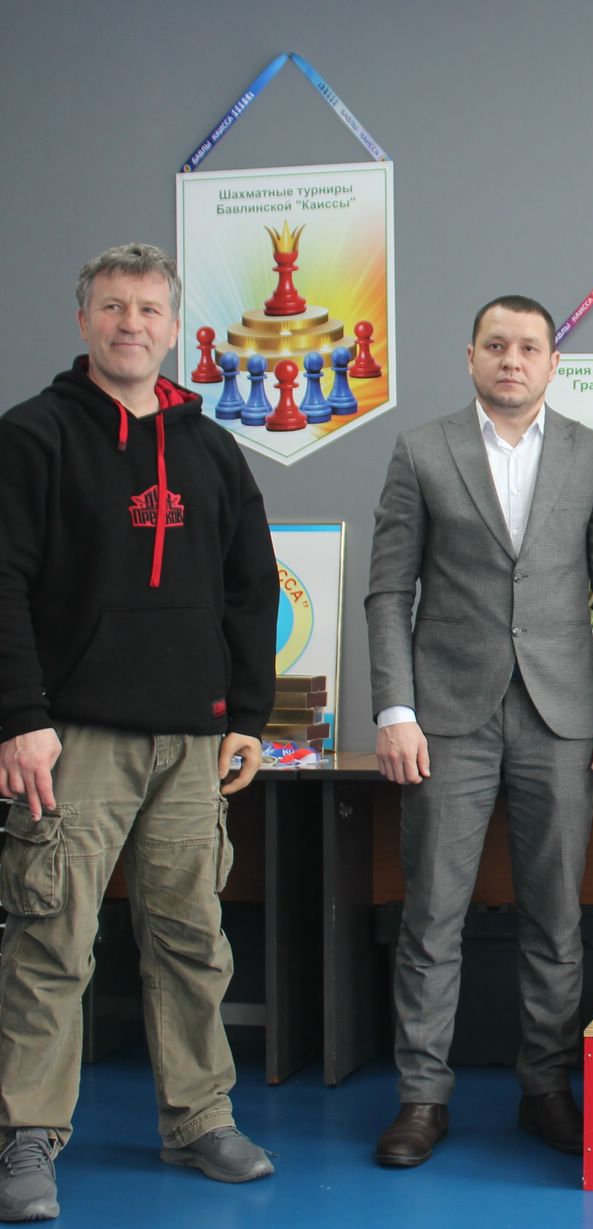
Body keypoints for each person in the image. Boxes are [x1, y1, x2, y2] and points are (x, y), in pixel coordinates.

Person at [0, 243, 279, 1222]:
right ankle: (27, 1131)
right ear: (84, 320)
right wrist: (20, 719)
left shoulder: (211, 449)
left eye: (149, 309)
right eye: (113, 306)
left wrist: (247, 714)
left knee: (192, 936)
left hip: (190, 740)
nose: (131, 323)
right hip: (73, 738)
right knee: (51, 937)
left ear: (173, 329)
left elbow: (251, 587)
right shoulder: (32, 437)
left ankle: (199, 1116)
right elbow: (3, 584)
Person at [366, 294, 593, 1166]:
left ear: (554, 363)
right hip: (445, 716)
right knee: (432, 914)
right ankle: (422, 1097)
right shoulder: (422, 449)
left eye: (528, 347)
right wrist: (395, 709)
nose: (512, 360)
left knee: (556, 915)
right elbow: (389, 589)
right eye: (496, 345)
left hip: (563, 715)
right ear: (471, 356)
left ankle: (546, 1088)